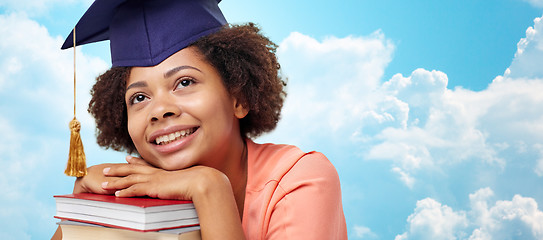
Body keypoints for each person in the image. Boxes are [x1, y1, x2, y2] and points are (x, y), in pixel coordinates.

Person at [53, 0, 347, 239]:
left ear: (239, 97)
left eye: (184, 82)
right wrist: (87, 213)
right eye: (139, 98)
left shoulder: (300, 178)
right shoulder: (136, 199)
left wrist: (209, 190)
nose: (159, 110)